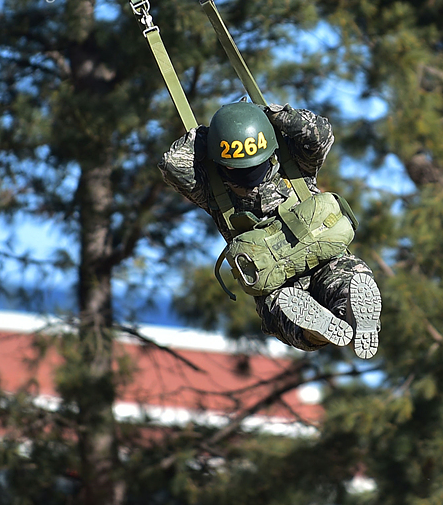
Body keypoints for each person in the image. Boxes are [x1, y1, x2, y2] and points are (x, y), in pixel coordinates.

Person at [158, 101, 381, 359]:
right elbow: (319, 133)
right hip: (314, 267)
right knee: (342, 280)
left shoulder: (211, 187)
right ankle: (341, 313)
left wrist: (210, 137)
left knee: (285, 313)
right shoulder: (294, 163)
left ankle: (326, 326)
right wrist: (273, 117)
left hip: (287, 281)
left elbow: (173, 163)